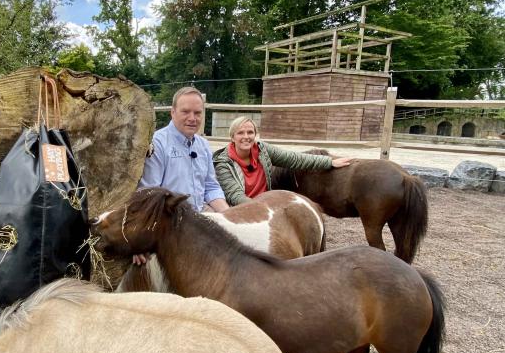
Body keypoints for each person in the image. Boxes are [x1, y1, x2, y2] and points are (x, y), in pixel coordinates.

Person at [136, 87, 229, 264]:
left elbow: (211, 187)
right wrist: (142, 236)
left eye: (197, 113)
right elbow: (149, 194)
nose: (192, 118)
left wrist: (230, 216)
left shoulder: (202, 145)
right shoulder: (158, 144)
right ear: (173, 112)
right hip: (169, 224)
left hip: (199, 219)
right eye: (185, 112)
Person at [213, 116, 353, 206]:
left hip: (265, 204)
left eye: (250, 132)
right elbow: (235, 196)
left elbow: (294, 159)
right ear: (232, 137)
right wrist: (261, 209)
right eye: (240, 133)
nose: (246, 136)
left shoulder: (262, 150)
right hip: (243, 209)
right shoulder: (223, 163)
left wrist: (329, 162)